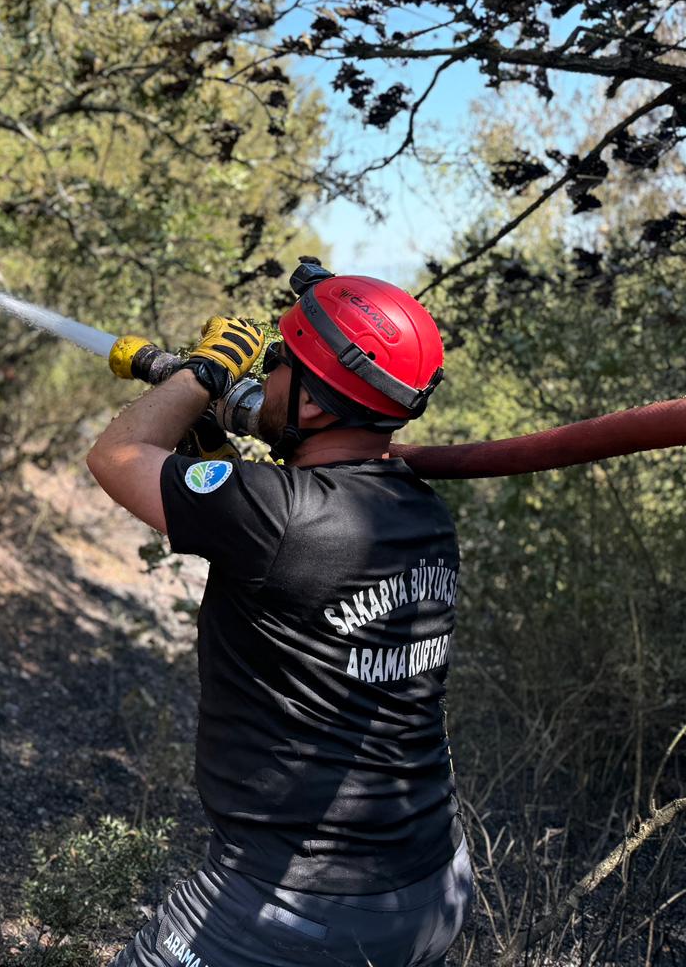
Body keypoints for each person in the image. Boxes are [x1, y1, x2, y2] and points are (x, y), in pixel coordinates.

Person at [87, 261, 472, 967]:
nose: (264, 373)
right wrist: (220, 455)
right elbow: (287, 560)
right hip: (428, 882)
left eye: (277, 362)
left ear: (319, 408)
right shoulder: (421, 512)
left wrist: (206, 369)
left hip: (294, 906)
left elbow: (114, 457)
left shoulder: (280, 517)